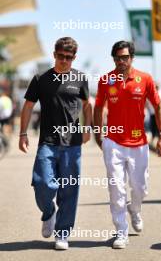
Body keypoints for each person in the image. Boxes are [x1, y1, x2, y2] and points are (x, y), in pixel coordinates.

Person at [19, 37, 92, 250]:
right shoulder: (41, 78)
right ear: (54, 55)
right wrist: (23, 133)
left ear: (74, 58)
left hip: (73, 144)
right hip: (47, 142)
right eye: (61, 56)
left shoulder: (80, 78)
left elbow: (87, 106)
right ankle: (49, 212)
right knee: (42, 182)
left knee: (69, 191)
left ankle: (62, 233)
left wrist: (88, 128)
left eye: (69, 57)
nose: (64, 61)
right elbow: (28, 106)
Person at [94, 41, 161, 249]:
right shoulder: (106, 80)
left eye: (125, 57)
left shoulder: (145, 79)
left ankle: (135, 209)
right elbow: (99, 108)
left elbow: (158, 105)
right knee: (116, 188)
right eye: (117, 58)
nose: (121, 61)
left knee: (140, 187)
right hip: (114, 143)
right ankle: (121, 231)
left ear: (132, 58)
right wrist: (99, 135)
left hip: (139, 143)